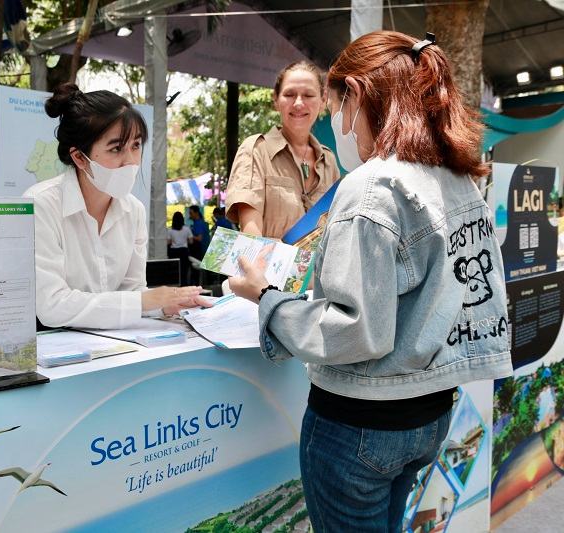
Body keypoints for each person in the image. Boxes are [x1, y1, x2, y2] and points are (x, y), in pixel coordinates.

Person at [229, 31, 512, 532]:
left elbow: (355, 330)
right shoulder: (455, 178)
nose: (337, 122)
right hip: (429, 414)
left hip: (359, 422)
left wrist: (268, 299)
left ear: (356, 97)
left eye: (334, 105)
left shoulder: (371, 186)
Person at [26, 83, 209, 329]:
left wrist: (165, 305)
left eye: (136, 145)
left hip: (115, 350)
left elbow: (133, 292)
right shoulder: (40, 205)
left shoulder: (134, 211)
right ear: (79, 157)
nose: (131, 161)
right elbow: (52, 305)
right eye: (116, 149)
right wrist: (146, 300)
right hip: (54, 352)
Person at [225, 61, 341, 239]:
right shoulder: (256, 150)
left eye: (309, 95)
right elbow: (250, 235)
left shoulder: (329, 160)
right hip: (267, 265)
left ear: (323, 101)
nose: (298, 103)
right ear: (276, 100)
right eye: (289, 94)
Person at [167, 211, 193, 286]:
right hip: (184, 252)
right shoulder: (187, 229)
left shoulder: (170, 230)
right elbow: (191, 241)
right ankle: (184, 285)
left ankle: (175, 286)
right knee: (184, 270)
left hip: (173, 252)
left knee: (174, 271)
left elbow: (168, 242)